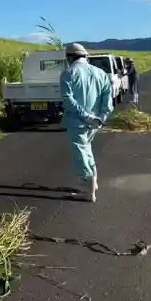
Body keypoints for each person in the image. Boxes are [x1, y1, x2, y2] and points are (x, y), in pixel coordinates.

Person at [60, 43, 114, 202]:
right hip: (95, 123)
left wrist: (85, 116)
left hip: (78, 122)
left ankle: (89, 191)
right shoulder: (101, 73)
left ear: (69, 58)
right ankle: (94, 183)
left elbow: (68, 101)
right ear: (84, 56)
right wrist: (101, 117)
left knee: (81, 154)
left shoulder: (68, 73)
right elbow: (108, 100)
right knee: (87, 150)